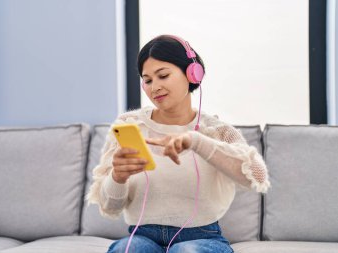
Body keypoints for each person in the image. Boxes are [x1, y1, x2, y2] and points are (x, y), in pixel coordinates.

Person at [87, 35, 271, 253]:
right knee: (127, 250)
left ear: (192, 73)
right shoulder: (129, 126)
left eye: (163, 75)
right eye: (147, 80)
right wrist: (117, 177)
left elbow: (258, 176)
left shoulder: (215, 130)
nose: (154, 87)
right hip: (142, 235)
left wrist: (196, 142)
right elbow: (109, 207)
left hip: (201, 237)